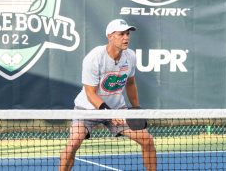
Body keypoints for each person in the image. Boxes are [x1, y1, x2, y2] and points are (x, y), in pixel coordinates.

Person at [59, 19, 157, 171]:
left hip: (118, 109)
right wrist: (108, 112)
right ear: (110, 36)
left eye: (128, 34)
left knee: (147, 141)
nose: (126, 38)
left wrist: (136, 108)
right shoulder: (95, 57)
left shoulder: (130, 56)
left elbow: (130, 84)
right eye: (121, 34)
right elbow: (90, 93)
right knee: (74, 143)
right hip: (87, 109)